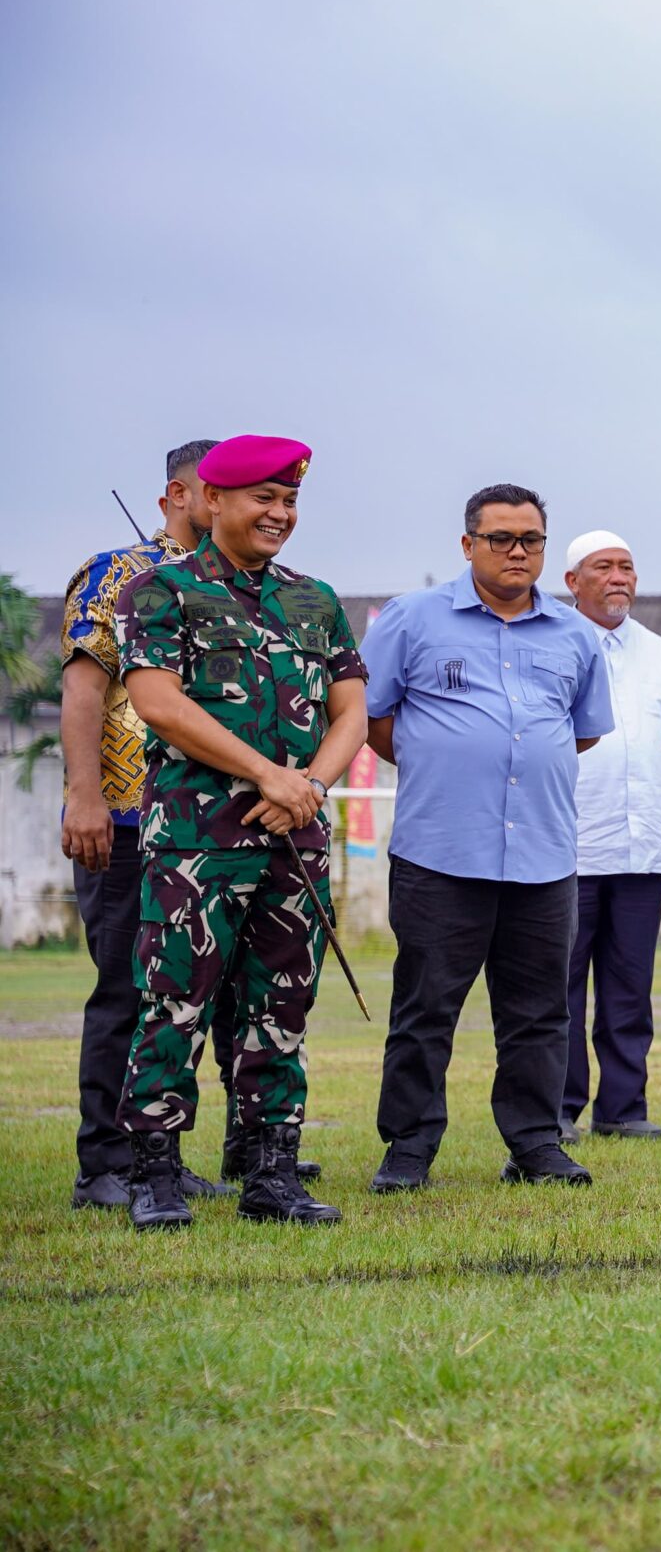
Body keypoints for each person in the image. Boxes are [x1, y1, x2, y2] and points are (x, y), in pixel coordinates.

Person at [113, 435, 367, 1228]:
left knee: (281, 1008)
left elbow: (351, 709)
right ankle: (154, 1176)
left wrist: (312, 784)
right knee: (175, 1004)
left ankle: (271, 1175)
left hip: (295, 841)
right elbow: (158, 702)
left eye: (289, 501)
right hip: (198, 841)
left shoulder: (314, 600)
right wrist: (269, 773)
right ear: (211, 500)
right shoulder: (160, 592)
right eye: (264, 498)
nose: (280, 514)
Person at [364, 484, 615, 1190]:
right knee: (425, 1008)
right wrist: (443, 759)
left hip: (542, 854)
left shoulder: (573, 636)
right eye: (500, 537)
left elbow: (583, 729)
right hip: (439, 852)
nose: (516, 551)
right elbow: (372, 718)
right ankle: (408, 1147)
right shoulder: (413, 619)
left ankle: (536, 1143)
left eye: (530, 539)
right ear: (468, 543)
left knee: (540, 1011)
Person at [58, 438, 255, 1210]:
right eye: (218, 492)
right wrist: (85, 796)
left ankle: (157, 1158)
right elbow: (82, 688)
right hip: (130, 817)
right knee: (126, 987)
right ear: (176, 494)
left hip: (213, 822)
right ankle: (103, 1163)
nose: (228, 507)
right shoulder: (118, 574)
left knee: (193, 992)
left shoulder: (237, 587)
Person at [559, 531, 661, 1143]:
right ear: (573, 581)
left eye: (627, 568)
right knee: (557, 991)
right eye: (604, 567)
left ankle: (622, 1111)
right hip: (565, 852)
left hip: (643, 854)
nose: (619, 577)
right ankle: (557, 1111)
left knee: (628, 990)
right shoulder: (549, 644)